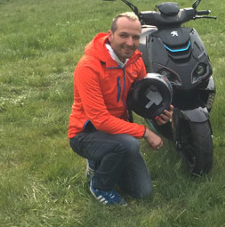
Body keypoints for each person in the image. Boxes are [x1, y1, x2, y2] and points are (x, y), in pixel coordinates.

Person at [68, 12, 172, 205]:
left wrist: (159, 114)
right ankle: (100, 185)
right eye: (123, 35)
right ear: (111, 35)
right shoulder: (89, 67)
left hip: (118, 133)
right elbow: (100, 120)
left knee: (142, 192)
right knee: (129, 145)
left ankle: (102, 159)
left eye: (135, 37)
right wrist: (145, 132)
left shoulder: (135, 61)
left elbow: (142, 99)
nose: (130, 43)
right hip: (85, 134)